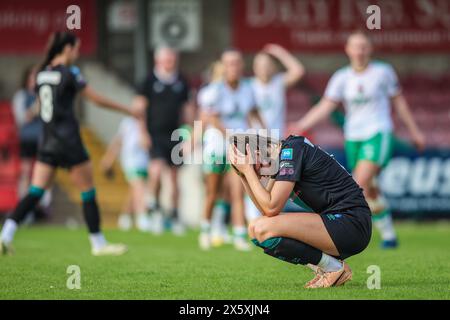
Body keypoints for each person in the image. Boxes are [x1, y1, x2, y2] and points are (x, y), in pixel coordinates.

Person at [0, 32, 135, 256]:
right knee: (88, 191)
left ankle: (6, 234)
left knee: (35, 191)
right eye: (76, 48)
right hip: (69, 140)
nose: (78, 53)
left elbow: (41, 104)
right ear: (67, 49)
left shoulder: (42, 73)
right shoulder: (70, 73)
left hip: (48, 141)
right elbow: (96, 99)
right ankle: (98, 244)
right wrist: (127, 110)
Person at [295, 31, 426, 248]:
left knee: (357, 184)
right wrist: (302, 125)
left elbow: (399, 103)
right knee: (371, 188)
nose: (360, 51)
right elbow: (326, 106)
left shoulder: (383, 72)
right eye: (355, 46)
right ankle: (389, 236)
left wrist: (414, 132)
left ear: (370, 49)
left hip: (378, 134)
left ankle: (336, 237)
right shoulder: (341, 77)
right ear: (348, 49)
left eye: (364, 46)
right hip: (353, 137)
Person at [228, 133, 372, 288]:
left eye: (253, 167)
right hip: (343, 224)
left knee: (262, 228)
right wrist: (243, 174)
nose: (259, 175)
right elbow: (266, 210)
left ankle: (334, 269)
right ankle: (329, 267)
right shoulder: (285, 155)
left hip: (351, 223)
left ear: (255, 153)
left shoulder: (291, 151)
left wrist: (248, 172)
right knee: (257, 229)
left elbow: (271, 207)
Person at [198, 49, 265, 251]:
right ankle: (205, 231)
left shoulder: (248, 88)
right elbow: (212, 119)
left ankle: (238, 235)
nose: (233, 67)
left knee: (239, 191)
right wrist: (232, 135)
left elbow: (254, 112)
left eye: (237, 63)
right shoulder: (215, 90)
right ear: (223, 66)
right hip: (217, 143)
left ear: (242, 66)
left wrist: (266, 134)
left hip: (238, 144)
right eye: (229, 63)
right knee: (213, 191)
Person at [132, 46, 191, 235]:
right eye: (166, 59)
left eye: (172, 59)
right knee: (156, 172)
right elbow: (139, 109)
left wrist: (189, 136)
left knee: (174, 178)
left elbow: (189, 111)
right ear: (158, 60)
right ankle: (154, 209)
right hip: (155, 134)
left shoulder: (182, 81)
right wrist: (142, 133)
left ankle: (174, 216)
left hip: (175, 136)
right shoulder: (149, 80)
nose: (169, 62)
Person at [245, 44, 305, 222]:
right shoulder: (249, 86)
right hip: (255, 141)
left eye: (266, 64)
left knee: (272, 184)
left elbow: (298, 70)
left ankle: (263, 221)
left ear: (273, 67)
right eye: (259, 65)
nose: (263, 68)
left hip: (276, 142)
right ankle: (252, 221)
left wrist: (279, 52)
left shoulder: (278, 82)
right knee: (255, 181)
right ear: (254, 68)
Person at [11, 66, 52, 221]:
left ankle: (44, 205)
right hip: (27, 139)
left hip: (42, 139)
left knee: (45, 173)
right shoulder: (21, 96)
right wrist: (36, 107)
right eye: (32, 77)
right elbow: (22, 118)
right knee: (26, 172)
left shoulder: (44, 95)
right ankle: (24, 207)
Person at [100, 116, 150, 232]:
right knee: (139, 186)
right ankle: (142, 217)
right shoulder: (127, 122)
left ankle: (125, 217)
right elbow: (119, 141)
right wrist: (109, 158)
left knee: (134, 189)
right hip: (130, 159)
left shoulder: (148, 120)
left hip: (144, 159)